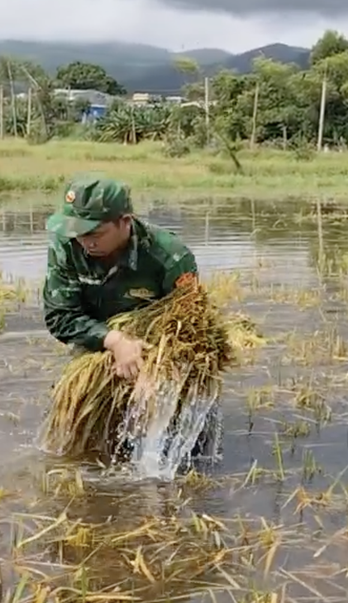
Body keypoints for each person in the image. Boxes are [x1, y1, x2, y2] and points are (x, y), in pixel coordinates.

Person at [42, 175, 222, 460]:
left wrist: (157, 369)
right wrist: (114, 341)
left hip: (157, 349)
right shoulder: (67, 247)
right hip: (98, 342)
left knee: (188, 445)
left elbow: (191, 330)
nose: (85, 242)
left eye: (95, 233)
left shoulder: (170, 256)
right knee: (87, 438)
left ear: (125, 221)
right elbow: (60, 316)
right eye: (78, 232)